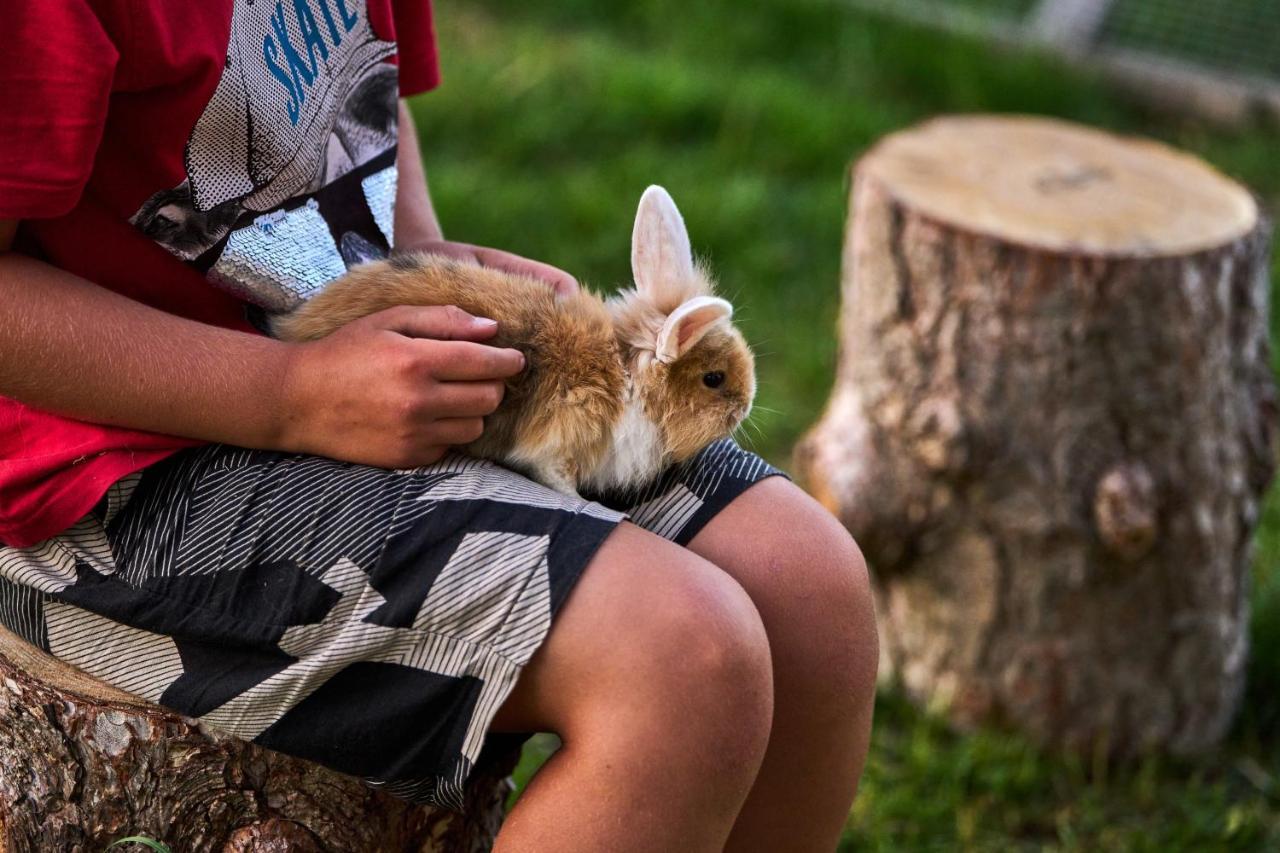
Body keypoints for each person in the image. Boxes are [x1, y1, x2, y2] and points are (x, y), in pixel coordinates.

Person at [0, 2, 877, 850]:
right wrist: (292, 393)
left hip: (331, 348)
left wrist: (416, 254)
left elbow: (360, 88)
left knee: (808, 584)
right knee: (682, 657)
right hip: (104, 466)